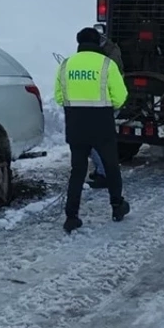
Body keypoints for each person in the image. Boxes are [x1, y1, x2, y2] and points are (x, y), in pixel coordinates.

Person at [54, 27, 130, 232]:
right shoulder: (107, 64)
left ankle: (71, 217)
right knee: (112, 167)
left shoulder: (66, 64)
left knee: (77, 171)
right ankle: (117, 207)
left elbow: (60, 97)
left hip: (76, 126)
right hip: (101, 125)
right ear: (98, 43)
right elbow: (121, 97)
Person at [88, 25, 125, 189]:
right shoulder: (109, 52)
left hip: (102, 103)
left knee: (95, 142)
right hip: (102, 104)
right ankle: (103, 171)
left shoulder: (106, 59)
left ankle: (105, 174)